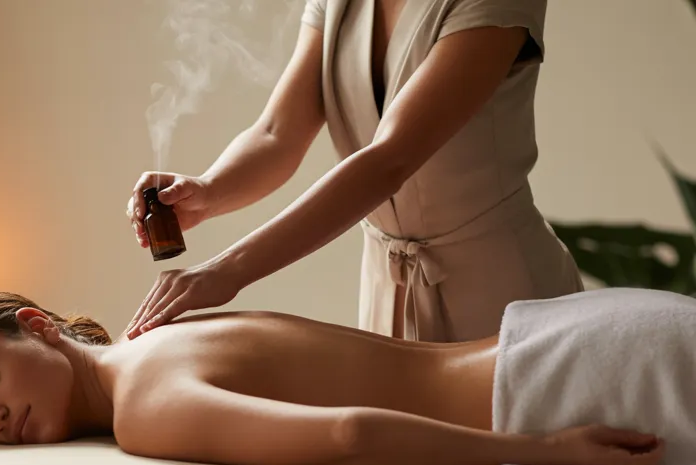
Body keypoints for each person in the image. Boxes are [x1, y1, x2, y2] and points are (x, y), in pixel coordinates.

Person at [123, 0, 582, 343]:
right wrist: (207, 190)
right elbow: (276, 132)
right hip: (385, 292)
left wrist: (227, 272)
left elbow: (390, 159)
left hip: (503, 292)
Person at [0, 288, 680, 465]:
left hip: (553, 381)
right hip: (563, 336)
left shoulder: (145, 408)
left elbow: (347, 437)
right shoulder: (156, 342)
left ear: (38, 326)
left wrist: (540, 450)